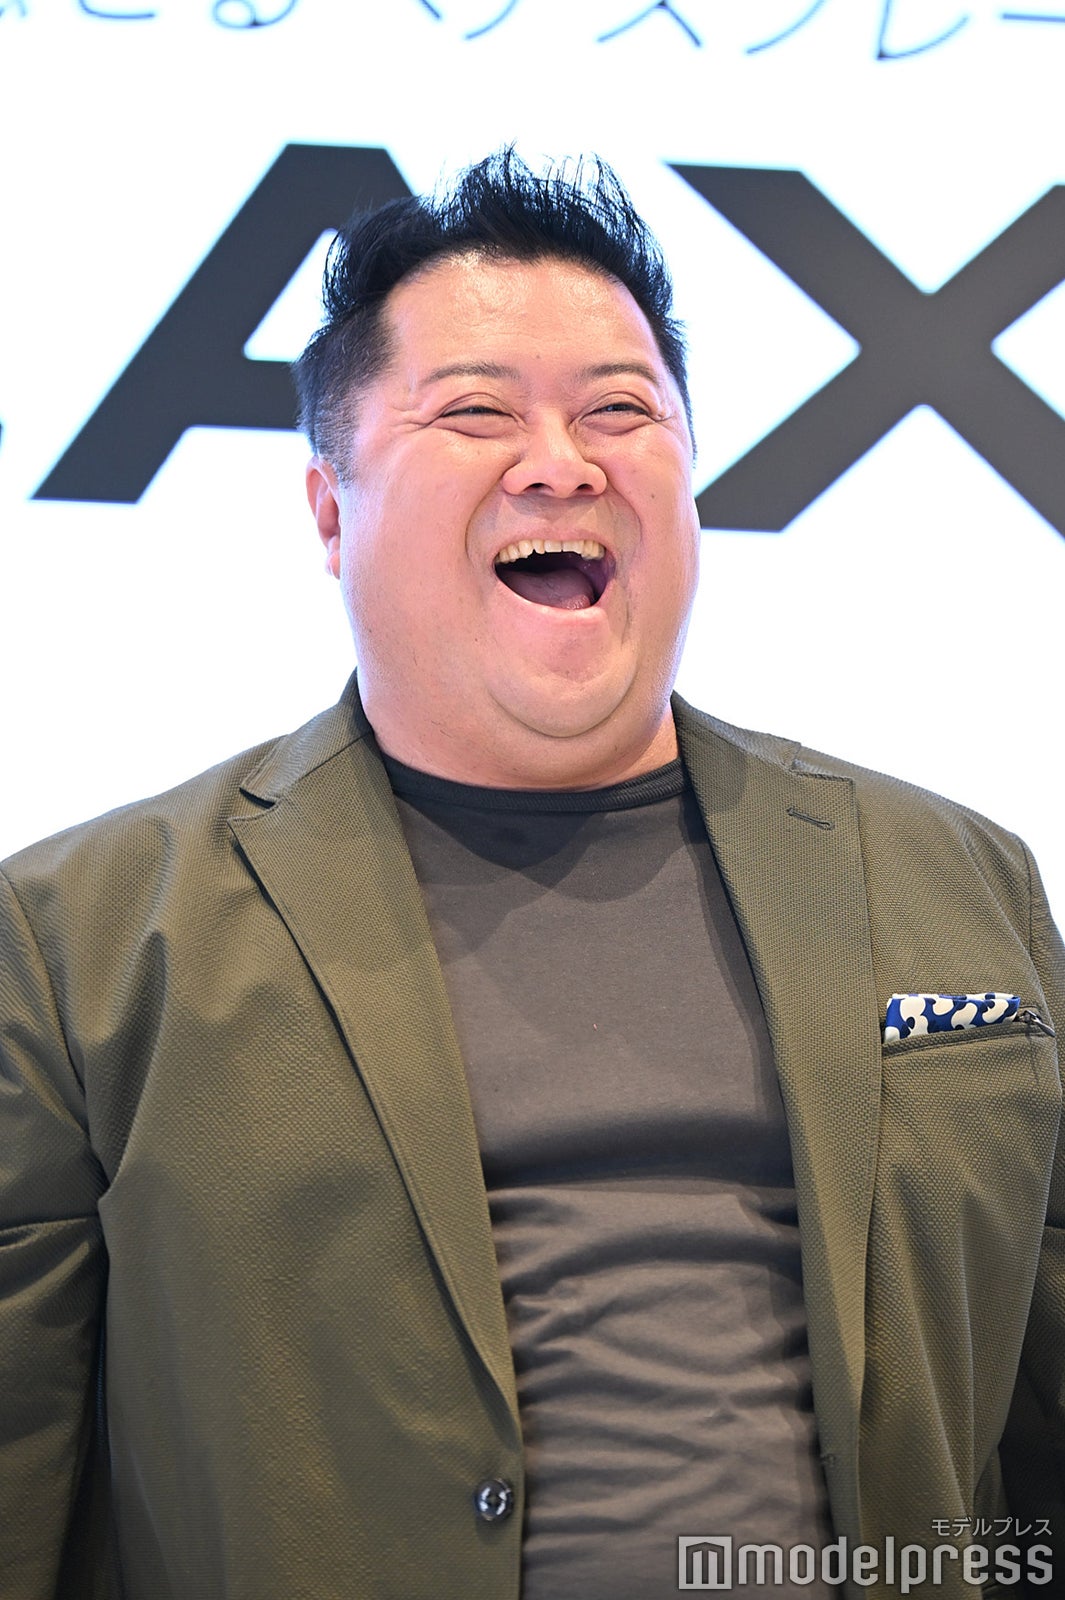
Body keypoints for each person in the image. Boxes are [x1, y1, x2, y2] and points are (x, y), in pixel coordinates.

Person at [0, 151, 1061, 1600]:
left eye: (620, 410)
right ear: (329, 512)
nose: (561, 461)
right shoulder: (82, 938)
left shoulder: (955, 878)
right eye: (476, 412)